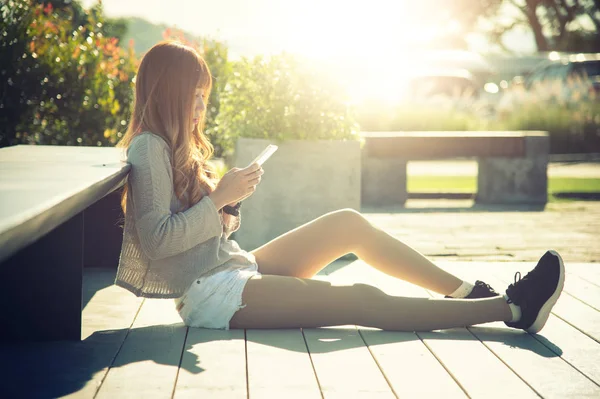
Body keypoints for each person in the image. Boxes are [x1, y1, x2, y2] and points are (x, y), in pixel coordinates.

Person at [114, 41, 565, 334]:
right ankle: (512, 308)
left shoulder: (176, 147)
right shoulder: (149, 147)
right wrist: (217, 199)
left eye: (204, 95)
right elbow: (156, 241)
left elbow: (204, 231)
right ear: (169, 91)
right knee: (358, 300)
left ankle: (470, 292)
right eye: (194, 93)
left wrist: (227, 208)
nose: (200, 105)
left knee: (348, 224)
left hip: (233, 266)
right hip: (211, 294)